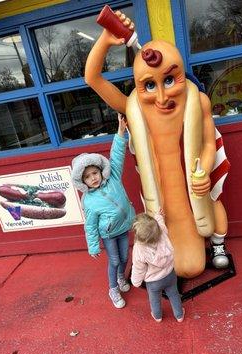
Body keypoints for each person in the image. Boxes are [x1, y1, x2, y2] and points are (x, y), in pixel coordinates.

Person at [84, 9, 230, 278]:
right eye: (150, 85)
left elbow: (210, 144)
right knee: (183, 266)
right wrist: (105, 39)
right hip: (162, 205)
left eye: (170, 80)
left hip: (193, 196)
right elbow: (92, 78)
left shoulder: (198, 102)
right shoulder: (135, 107)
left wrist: (205, 169)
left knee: (196, 256)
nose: (162, 97)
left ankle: (218, 244)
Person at [71, 113, 135, 309]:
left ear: (100, 171)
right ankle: (113, 288)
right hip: (108, 234)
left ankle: (121, 278)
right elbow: (89, 226)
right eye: (88, 177)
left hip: (123, 227)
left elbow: (116, 155)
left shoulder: (112, 177)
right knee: (114, 260)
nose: (93, 178)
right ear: (83, 181)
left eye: (95, 173)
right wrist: (92, 246)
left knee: (125, 258)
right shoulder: (89, 201)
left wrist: (120, 132)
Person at [131, 209, 185, 323]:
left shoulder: (139, 249)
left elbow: (138, 268)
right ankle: (179, 315)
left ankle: (157, 316)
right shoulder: (162, 232)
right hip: (170, 274)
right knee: (174, 294)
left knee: (154, 299)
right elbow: (160, 224)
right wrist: (158, 216)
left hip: (153, 281)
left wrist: (136, 282)